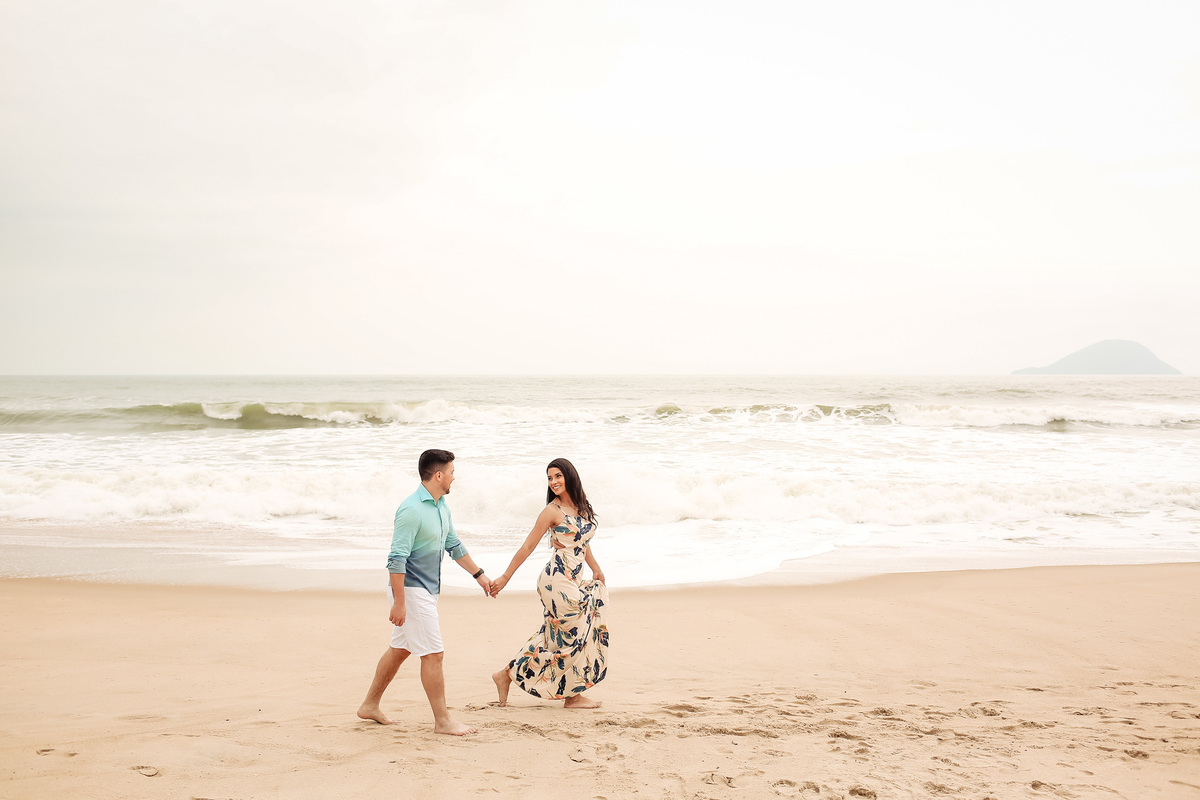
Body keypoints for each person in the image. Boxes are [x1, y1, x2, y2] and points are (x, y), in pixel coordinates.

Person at [357, 449, 492, 735]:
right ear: (439, 475)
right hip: (411, 590)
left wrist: (479, 575)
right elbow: (396, 559)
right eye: (452, 472)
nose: (454, 478)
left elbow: (453, 546)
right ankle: (443, 720)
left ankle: (370, 705)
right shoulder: (411, 510)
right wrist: (399, 603)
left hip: (427, 591)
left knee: (400, 649)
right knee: (433, 653)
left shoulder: (441, 506)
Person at [490, 458, 609, 709]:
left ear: (569, 476)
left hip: (573, 580)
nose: (553, 482)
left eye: (557, 476)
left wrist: (596, 568)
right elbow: (527, 547)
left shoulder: (581, 506)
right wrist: (504, 577)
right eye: (549, 478)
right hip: (556, 581)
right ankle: (572, 696)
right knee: (574, 633)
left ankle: (505, 674)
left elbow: (582, 543)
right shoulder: (551, 512)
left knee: (555, 635)